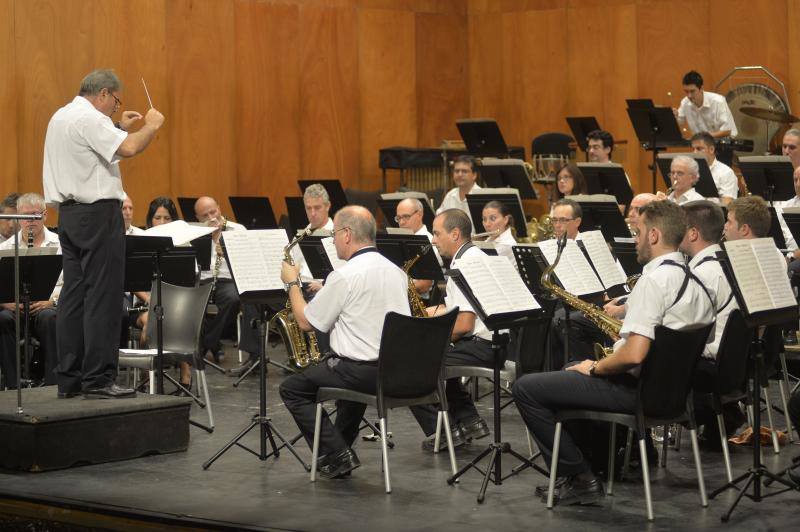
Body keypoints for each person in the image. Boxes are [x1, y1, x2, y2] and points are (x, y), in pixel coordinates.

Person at [513, 200, 714, 506]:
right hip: (672, 396)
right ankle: (605, 462)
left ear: (655, 235)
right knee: (571, 366)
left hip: (638, 395)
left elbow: (634, 355)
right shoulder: (694, 280)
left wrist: (595, 368)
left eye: (639, 232)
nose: (635, 239)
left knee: (526, 388)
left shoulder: (653, 282)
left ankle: (580, 477)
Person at [43, 69, 164, 399]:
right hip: (97, 215)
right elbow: (128, 150)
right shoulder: (90, 118)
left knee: (74, 296)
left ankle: (70, 378)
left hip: (68, 216)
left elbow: (89, 150)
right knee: (104, 296)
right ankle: (98, 379)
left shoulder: (61, 116)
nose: (114, 107)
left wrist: (119, 127)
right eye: (114, 101)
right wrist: (150, 125)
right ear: (104, 94)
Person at [279, 206, 409, 479]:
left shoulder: (345, 275)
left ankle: (337, 452)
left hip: (361, 373)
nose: (333, 240)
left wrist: (292, 283)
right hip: (395, 372)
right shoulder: (396, 271)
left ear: (347, 234)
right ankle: (339, 454)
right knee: (345, 372)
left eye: (334, 234)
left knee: (292, 388)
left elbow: (306, 322)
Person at [410, 209, 493, 452]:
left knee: (410, 361)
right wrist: (425, 314)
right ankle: (469, 421)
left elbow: (465, 324)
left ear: (455, 234)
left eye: (436, 233)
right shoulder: (473, 255)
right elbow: (457, 308)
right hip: (491, 341)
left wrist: (427, 336)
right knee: (438, 351)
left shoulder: (464, 265)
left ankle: (443, 431)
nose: (433, 240)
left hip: (481, 345)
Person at [680, 200, 743, 444]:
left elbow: (684, 328)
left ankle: (638, 446)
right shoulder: (726, 262)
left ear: (693, 233)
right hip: (731, 365)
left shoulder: (703, 274)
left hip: (708, 366)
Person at [193, 196, 260, 377]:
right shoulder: (195, 233)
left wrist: (227, 249)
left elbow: (250, 262)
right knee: (190, 302)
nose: (211, 217)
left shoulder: (238, 230)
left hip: (229, 279)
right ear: (198, 219)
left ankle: (206, 343)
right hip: (203, 280)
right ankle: (210, 344)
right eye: (205, 215)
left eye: (213, 211)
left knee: (233, 298)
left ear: (220, 208)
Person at [0, 193, 62, 388]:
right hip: (15, 309)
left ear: (45, 216)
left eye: (35, 216)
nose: (30, 221)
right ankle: (12, 384)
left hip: (47, 307)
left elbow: (70, 283)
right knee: (2, 319)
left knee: (49, 318)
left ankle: (53, 383)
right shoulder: (5, 248)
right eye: (25, 216)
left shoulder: (61, 245)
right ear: (18, 217)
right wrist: (5, 301)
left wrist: (52, 301)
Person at [674, 70, 738, 166]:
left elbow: (727, 130)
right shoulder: (685, 102)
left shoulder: (718, 101)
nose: (689, 96)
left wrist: (705, 137)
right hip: (699, 148)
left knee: (719, 178)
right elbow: (679, 122)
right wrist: (674, 117)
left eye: (692, 91)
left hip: (721, 147)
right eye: (686, 91)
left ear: (701, 88)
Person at [291, 183, 335, 293]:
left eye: (317, 208)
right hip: (300, 289)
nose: (313, 213)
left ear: (328, 206)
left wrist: (324, 285)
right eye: (308, 208)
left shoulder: (338, 236)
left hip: (323, 292)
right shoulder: (300, 235)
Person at [395, 197, 440, 298]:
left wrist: (392, 288)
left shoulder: (428, 242)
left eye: (406, 216)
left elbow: (424, 285)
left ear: (419, 214)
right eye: (398, 218)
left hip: (420, 302)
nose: (401, 223)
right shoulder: (397, 241)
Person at [690, 132, 738, 205]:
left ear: (711, 149)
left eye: (699, 149)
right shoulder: (690, 170)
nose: (694, 152)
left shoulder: (726, 172)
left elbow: (727, 203)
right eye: (693, 149)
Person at [436, 155, 481, 225]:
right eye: (457, 171)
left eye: (464, 171)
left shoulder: (480, 195)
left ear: (474, 175)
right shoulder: (450, 195)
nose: (460, 174)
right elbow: (439, 218)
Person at [481, 200, 517, 265]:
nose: (487, 224)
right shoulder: (489, 240)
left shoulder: (507, 244)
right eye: (484, 219)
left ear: (505, 220)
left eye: (493, 218)